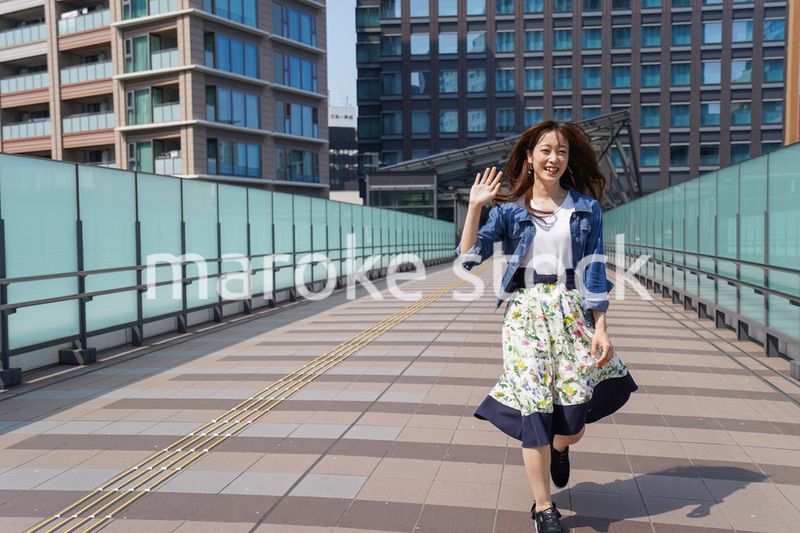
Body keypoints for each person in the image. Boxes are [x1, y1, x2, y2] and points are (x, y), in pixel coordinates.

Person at [456, 121, 638, 533]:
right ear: (529, 158)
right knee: (534, 406)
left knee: (572, 419)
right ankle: (544, 508)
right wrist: (474, 207)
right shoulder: (509, 211)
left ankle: (560, 448)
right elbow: (468, 259)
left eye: (561, 152)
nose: (553, 158)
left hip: (571, 311)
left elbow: (594, 273)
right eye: (545, 150)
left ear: (568, 161)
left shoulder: (586, 209)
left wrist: (601, 327)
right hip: (524, 314)